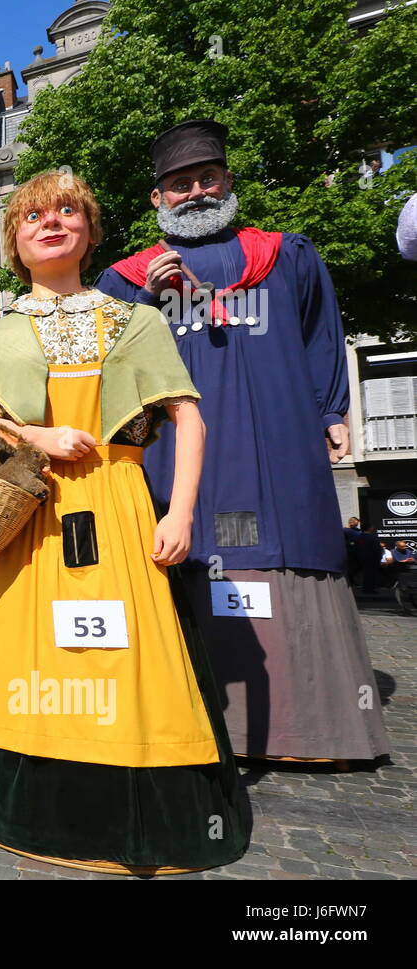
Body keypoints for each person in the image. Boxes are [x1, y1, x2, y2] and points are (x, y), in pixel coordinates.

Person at [0, 171, 248, 873]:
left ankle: (140, 795)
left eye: (68, 210)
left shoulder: (137, 319)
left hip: (121, 501)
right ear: (15, 240)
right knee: (34, 649)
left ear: (90, 230)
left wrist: (183, 510)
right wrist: (26, 434)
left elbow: (187, 417)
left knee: (130, 647)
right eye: (34, 214)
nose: (52, 221)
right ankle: (32, 802)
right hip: (32, 508)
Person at [96, 120, 390, 766]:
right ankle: (188, 723)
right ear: (157, 198)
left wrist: (331, 408)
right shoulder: (124, 281)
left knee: (289, 545)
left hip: (279, 448)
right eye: (180, 183)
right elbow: (98, 370)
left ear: (228, 181)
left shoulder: (286, 256)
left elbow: (322, 333)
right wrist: (143, 304)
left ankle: (307, 729)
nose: (196, 191)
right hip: (175, 464)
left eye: (207, 178)